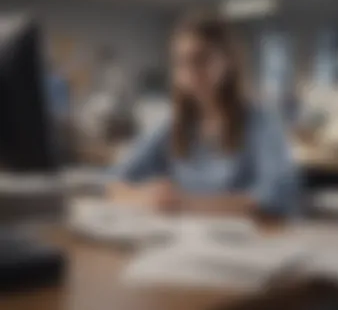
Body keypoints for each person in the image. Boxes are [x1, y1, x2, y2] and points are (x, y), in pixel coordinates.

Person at [107, 11, 299, 217]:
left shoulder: (261, 121)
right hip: (183, 241)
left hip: (246, 242)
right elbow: (114, 181)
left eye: (201, 59)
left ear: (228, 62)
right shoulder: (174, 124)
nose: (190, 72)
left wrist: (186, 204)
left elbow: (275, 198)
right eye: (181, 62)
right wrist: (147, 198)